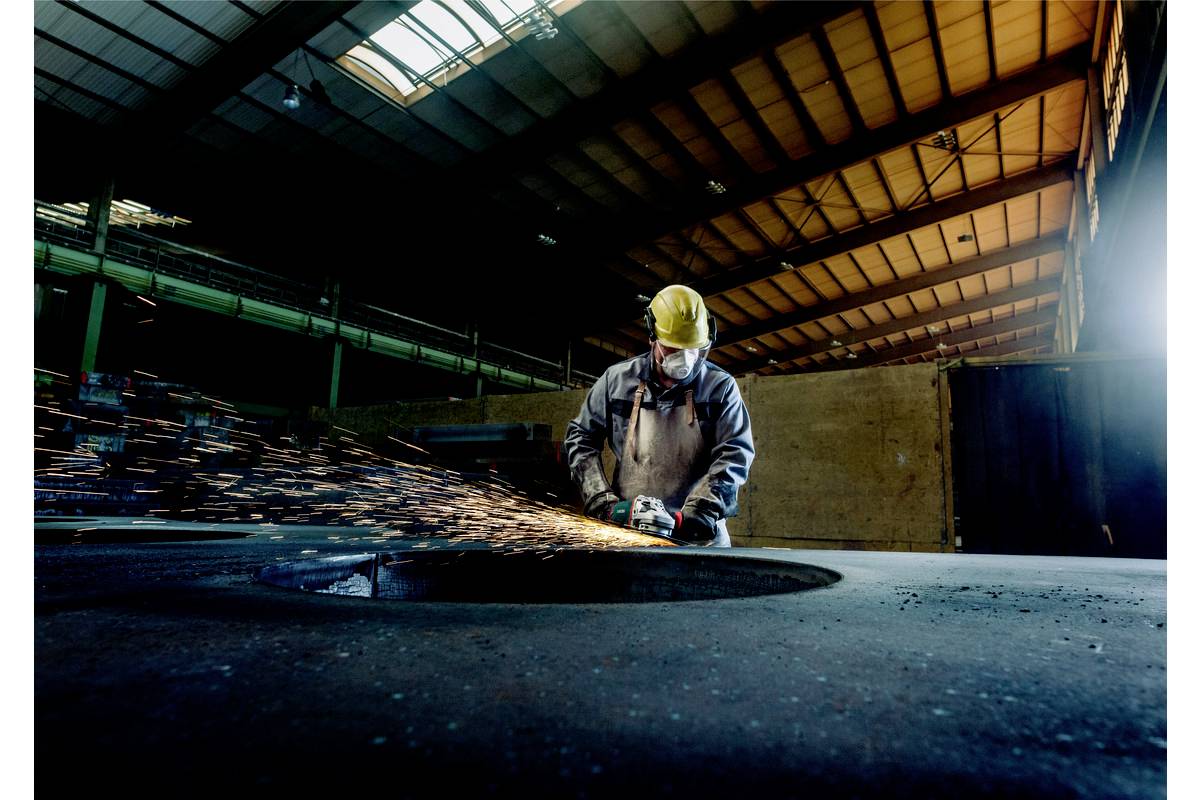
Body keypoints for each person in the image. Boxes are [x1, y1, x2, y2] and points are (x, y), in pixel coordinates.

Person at [564, 285, 755, 546]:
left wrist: (702, 511)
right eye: (674, 348)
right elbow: (581, 438)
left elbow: (735, 454)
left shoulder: (720, 388)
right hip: (631, 530)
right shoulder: (617, 381)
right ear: (652, 335)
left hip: (700, 535)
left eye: (694, 349)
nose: (686, 359)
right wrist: (601, 500)